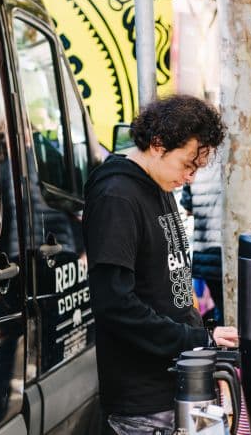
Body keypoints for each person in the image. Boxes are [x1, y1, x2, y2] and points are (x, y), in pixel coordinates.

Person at [83, 94, 239, 434]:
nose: (191, 178)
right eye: (187, 165)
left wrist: (204, 336)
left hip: (181, 384)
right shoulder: (116, 196)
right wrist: (194, 339)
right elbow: (114, 303)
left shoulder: (159, 183)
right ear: (157, 144)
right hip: (144, 400)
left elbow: (170, 283)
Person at [180, 87, 251, 323]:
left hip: (207, 257)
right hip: (249, 253)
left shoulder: (203, 151)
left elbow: (187, 202)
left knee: (224, 319)